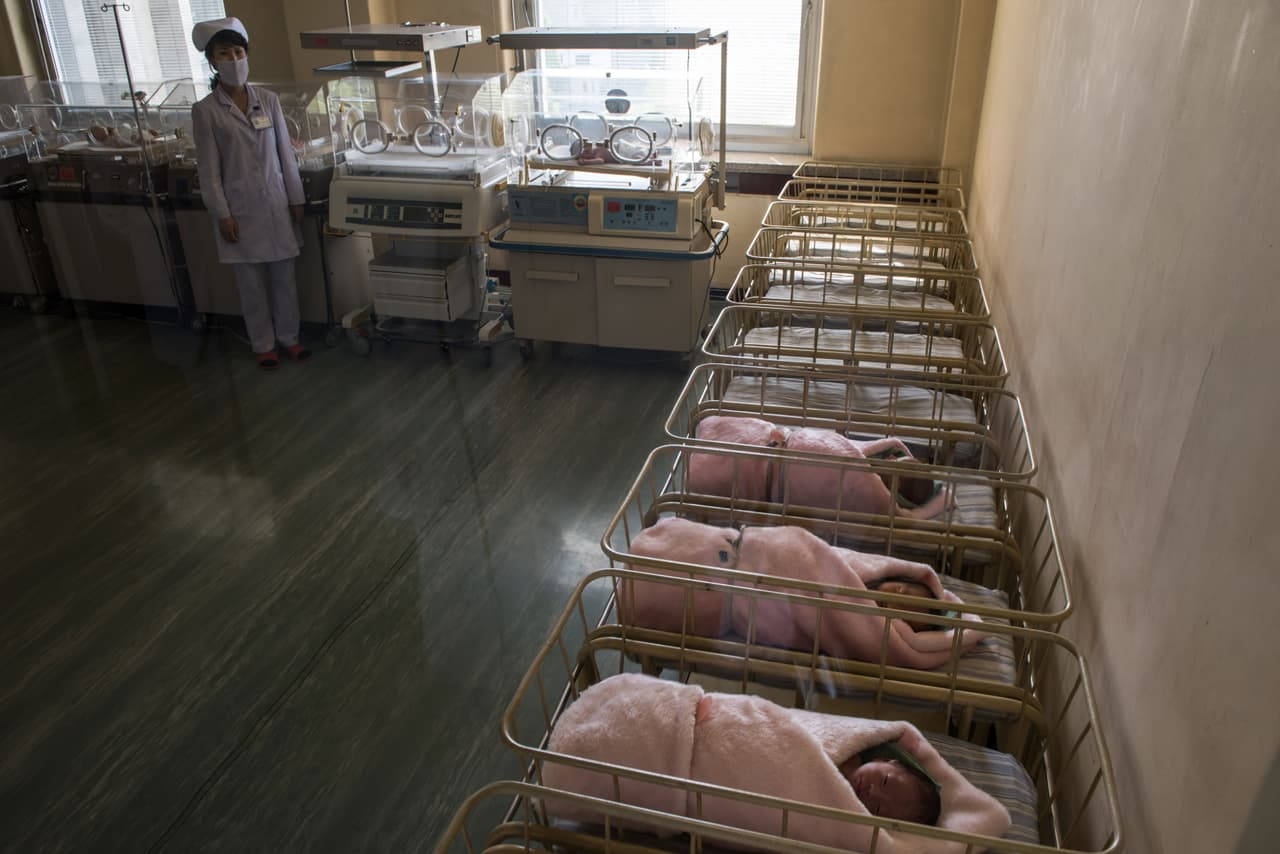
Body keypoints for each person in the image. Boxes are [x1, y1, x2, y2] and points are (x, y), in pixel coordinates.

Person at [190, 17, 310, 370]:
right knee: (251, 285)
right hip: (238, 210)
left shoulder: (268, 100)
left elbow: (285, 155)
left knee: (285, 281)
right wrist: (222, 213)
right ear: (213, 61)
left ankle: (290, 338)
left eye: (238, 52)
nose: (233, 59)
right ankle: (264, 345)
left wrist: (296, 199)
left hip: (276, 203)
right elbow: (209, 171)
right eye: (224, 54)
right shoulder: (206, 111)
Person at [838, 740, 943, 825]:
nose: (872, 792)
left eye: (877, 809)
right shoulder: (849, 745)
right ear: (884, 760)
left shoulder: (839, 808)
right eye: (885, 781)